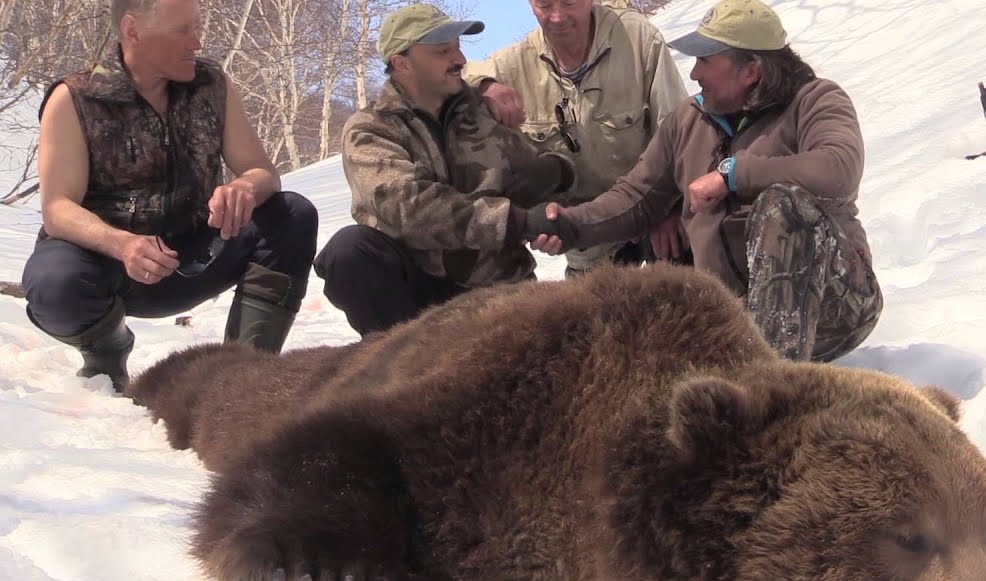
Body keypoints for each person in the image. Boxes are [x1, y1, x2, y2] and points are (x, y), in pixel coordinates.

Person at [526, 0, 883, 363]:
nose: (694, 74)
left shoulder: (816, 100)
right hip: (737, 321)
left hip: (836, 308)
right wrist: (572, 224)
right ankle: (744, 367)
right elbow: (637, 196)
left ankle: (771, 385)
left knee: (781, 206)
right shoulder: (688, 120)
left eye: (705, 61)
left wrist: (733, 175)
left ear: (750, 71)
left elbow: (837, 171)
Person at [22, 0, 318, 393]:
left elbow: (262, 172)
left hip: (197, 256)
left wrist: (244, 187)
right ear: (133, 30)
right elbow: (58, 209)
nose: (197, 42)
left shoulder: (212, 84)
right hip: (112, 267)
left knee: (292, 214)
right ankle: (107, 356)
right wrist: (122, 244)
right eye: (184, 30)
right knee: (53, 282)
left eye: (198, 28)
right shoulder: (75, 98)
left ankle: (246, 374)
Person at [314, 4, 574, 336]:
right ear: (401, 63)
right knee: (349, 251)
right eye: (443, 51)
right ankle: (395, 366)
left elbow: (544, 172)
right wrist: (515, 221)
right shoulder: (370, 130)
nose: (460, 60)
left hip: (496, 287)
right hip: (415, 298)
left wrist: (557, 172)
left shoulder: (484, 114)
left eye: (458, 48)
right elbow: (411, 208)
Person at [464, 0, 688, 276]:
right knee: (594, 316)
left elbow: (677, 129)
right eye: (545, 5)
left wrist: (671, 208)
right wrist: (485, 84)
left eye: (569, 2)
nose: (557, 17)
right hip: (588, 235)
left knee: (686, 295)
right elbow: (453, 77)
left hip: (654, 211)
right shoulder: (512, 64)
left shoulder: (637, 37)